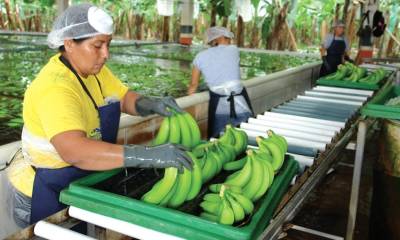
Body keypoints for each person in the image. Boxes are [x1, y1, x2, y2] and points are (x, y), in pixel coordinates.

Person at [6, 3, 192, 228]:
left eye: (108, 44)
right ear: (69, 44)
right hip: (42, 189)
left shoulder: (94, 71)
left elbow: (122, 98)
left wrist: (149, 104)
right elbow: (75, 151)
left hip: (76, 181)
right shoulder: (56, 87)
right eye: (98, 45)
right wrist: (147, 155)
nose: (106, 54)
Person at [188, 26, 253, 138]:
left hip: (218, 100)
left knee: (218, 139)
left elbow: (193, 85)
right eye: (228, 38)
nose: (230, 40)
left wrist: (188, 101)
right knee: (244, 135)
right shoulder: (234, 50)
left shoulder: (200, 57)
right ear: (221, 37)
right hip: (240, 99)